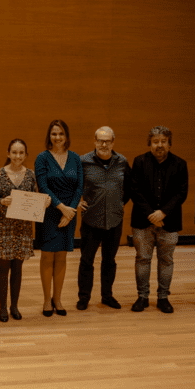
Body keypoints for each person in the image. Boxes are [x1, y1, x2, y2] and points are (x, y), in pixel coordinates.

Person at [128, 126, 188, 313]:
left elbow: (181, 193)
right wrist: (151, 215)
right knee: (142, 259)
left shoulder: (180, 164)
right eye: (156, 141)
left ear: (169, 144)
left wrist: (163, 213)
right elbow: (134, 191)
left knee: (166, 260)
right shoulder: (139, 162)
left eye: (163, 141)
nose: (159, 145)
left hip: (169, 222)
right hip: (142, 221)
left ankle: (163, 298)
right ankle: (142, 297)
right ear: (150, 143)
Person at [0, 139, 50, 322]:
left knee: (18, 268)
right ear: (8, 153)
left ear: (26, 155)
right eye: (14, 152)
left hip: (23, 229)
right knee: (3, 267)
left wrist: (44, 203)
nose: (17, 156)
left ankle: (14, 306)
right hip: (4, 228)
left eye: (21, 153)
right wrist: (1, 202)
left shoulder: (31, 175)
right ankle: (2, 308)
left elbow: (34, 200)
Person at [75, 126, 130, 311]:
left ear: (113, 142)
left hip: (114, 220)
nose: (104, 144)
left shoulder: (122, 161)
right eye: (100, 140)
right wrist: (76, 201)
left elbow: (129, 187)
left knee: (109, 261)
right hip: (91, 220)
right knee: (86, 260)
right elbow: (74, 184)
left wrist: (120, 203)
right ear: (95, 141)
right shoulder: (83, 161)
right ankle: (84, 298)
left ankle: (107, 296)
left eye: (107, 141)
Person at [35, 120, 83, 317]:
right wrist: (62, 208)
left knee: (62, 256)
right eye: (54, 134)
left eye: (61, 134)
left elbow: (79, 186)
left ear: (66, 136)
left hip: (69, 213)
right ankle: (47, 299)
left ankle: (58, 298)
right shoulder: (42, 158)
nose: (57, 137)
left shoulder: (75, 158)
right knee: (47, 256)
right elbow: (43, 186)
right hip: (49, 212)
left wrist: (70, 211)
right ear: (49, 136)